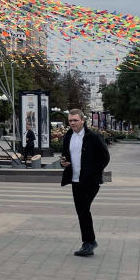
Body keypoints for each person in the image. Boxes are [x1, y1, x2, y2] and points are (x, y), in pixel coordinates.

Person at [59, 109, 110, 257]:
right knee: (82, 211)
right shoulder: (68, 135)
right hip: (75, 180)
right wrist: (64, 162)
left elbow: (105, 157)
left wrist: (94, 172)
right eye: (70, 121)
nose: (73, 123)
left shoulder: (93, 136)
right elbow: (65, 154)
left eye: (75, 120)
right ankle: (89, 242)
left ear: (82, 120)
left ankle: (88, 242)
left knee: (83, 210)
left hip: (90, 181)